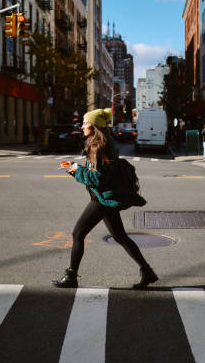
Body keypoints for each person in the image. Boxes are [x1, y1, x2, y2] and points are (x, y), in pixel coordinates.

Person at [52, 108, 158, 289]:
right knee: (120, 236)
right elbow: (98, 175)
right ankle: (147, 272)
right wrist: (76, 171)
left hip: (102, 198)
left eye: (85, 123)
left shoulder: (99, 146)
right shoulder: (103, 143)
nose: (82, 125)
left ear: (94, 126)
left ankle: (71, 276)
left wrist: (78, 170)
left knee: (78, 234)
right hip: (107, 197)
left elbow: (99, 179)